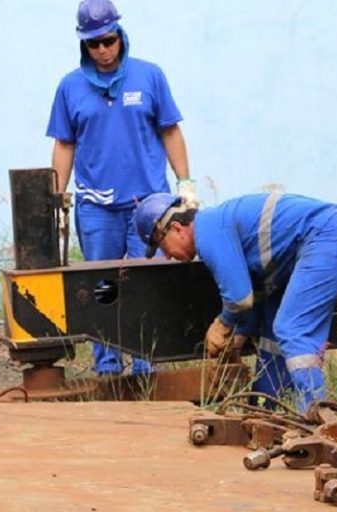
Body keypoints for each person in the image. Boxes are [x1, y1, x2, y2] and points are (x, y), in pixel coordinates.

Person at [46, 0, 197, 375]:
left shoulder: (149, 77)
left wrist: (186, 181)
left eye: (109, 41)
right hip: (97, 208)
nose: (103, 51)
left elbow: (170, 130)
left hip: (150, 206)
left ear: (120, 36)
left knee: (148, 285)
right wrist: (56, 197)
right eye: (94, 44)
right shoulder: (70, 87)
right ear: (84, 44)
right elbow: (64, 144)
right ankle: (108, 368)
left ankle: (146, 368)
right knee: (103, 288)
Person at [134, 192, 337, 411]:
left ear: (177, 228)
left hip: (330, 235)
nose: (166, 256)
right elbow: (256, 292)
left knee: (292, 328)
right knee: (273, 333)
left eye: (162, 246)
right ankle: (267, 413)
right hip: (327, 238)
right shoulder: (217, 226)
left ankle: (316, 417)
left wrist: (222, 324)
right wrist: (240, 334)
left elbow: (240, 298)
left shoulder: (208, 231)